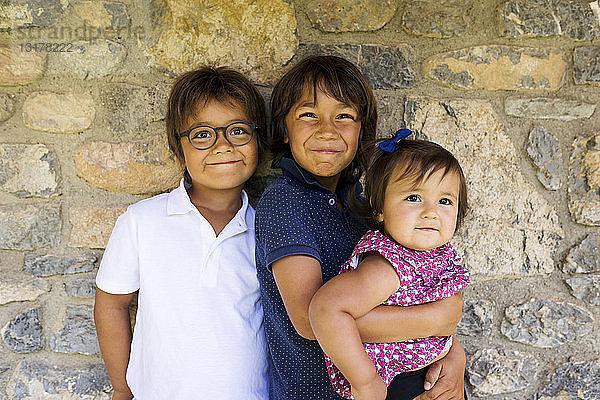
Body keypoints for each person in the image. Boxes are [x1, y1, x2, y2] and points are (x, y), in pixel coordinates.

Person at [255, 55, 467, 400]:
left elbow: (413, 281)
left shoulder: (363, 201)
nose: (327, 129)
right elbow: (312, 322)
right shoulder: (285, 202)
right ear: (283, 129)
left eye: (344, 116)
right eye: (309, 115)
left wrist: (451, 350)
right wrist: (436, 320)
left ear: (361, 130)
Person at [94, 66, 269, 400]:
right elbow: (112, 305)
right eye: (202, 134)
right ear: (178, 148)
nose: (223, 146)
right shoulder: (142, 221)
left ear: (257, 140)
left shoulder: (267, 231)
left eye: (238, 131)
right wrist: (122, 388)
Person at [309, 130, 470, 400]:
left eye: (445, 201)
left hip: (432, 375)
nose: (431, 211)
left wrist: (455, 351)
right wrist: (365, 381)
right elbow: (326, 308)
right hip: (398, 385)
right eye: (414, 197)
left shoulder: (435, 254)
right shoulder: (387, 266)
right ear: (379, 208)